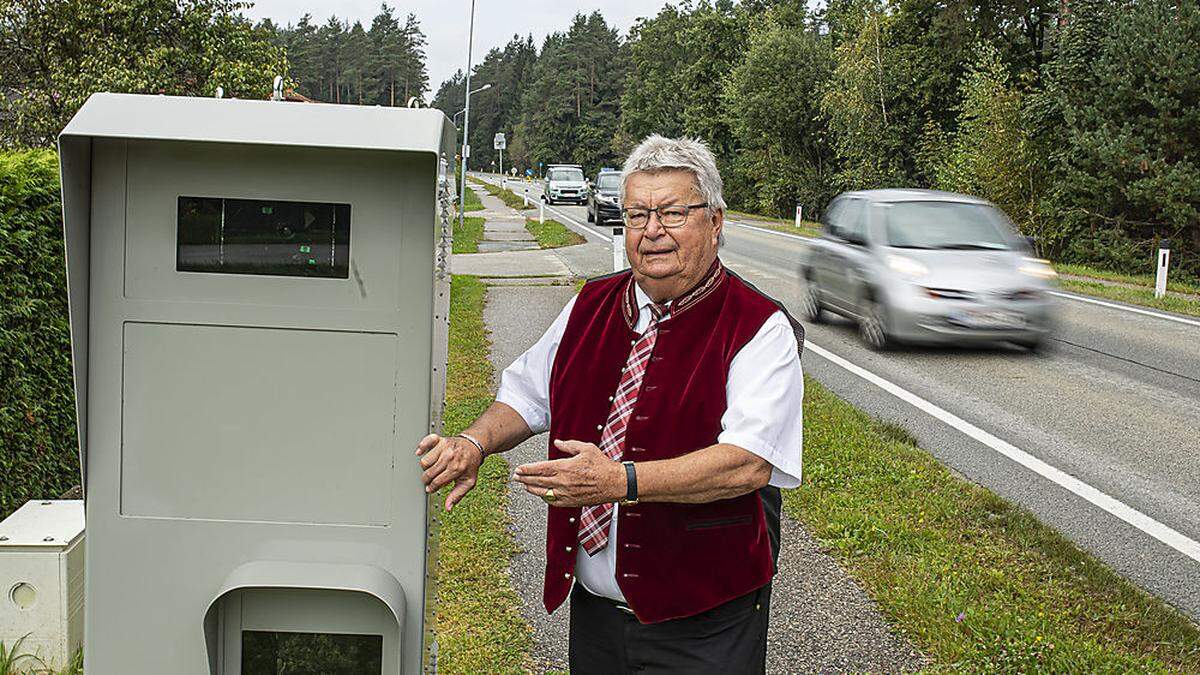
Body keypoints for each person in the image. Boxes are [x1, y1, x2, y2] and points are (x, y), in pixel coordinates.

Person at [417, 135, 804, 674]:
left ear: (715, 222)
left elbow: (749, 461)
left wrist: (622, 482)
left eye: (672, 212)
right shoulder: (590, 304)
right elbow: (529, 393)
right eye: (638, 214)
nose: (651, 232)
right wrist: (474, 444)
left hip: (705, 623)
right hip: (596, 618)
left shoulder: (758, 326)